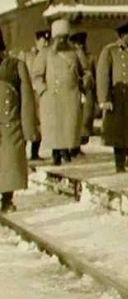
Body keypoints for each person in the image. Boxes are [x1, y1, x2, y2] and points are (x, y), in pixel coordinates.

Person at [31, 19, 91, 166]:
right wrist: (43, 90)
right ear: (54, 38)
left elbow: (87, 71)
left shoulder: (76, 52)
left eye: (64, 37)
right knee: (55, 128)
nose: (62, 40)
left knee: (69, 126)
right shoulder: (45, 54)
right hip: (52, 97)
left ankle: (67, 150)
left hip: (71, 96)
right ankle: (56, 154)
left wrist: (84, 83)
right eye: (59, 37)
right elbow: (36, 75)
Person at [97, 22, 128, 173]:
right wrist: (104, 99)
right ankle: (119, 162)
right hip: (117, 99)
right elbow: (103, 76)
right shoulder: (110, 51)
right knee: (117, 134)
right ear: (122, 35)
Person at [0, 30, 37, 213]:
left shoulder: (15, 66)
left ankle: (7, 199)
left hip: (10, 124)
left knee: (10, 164)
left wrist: (28, 127)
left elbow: (27, 98)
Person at [23, 29, 47, 160]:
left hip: (41, 95)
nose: (45, 43)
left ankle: (35, 153)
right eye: (43, 41)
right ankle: (23, 152)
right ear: (37, 41)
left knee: (39, 125)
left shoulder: (47, 55)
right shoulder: (28, 56)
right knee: (27, 123)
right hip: (29, 94)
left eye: (46, 41)